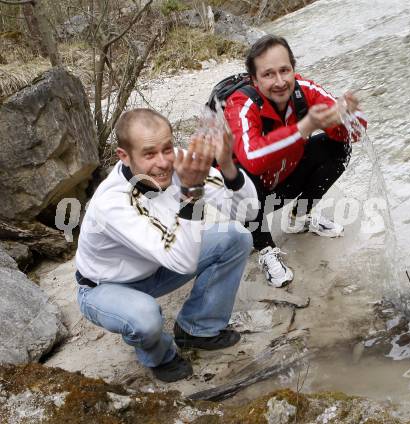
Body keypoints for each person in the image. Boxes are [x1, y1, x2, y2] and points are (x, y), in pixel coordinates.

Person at [75, 108, 258, 382]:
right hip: (105, 288)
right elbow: (181, 261)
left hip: (156, 267)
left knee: (236, 237)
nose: (162, 163)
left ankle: (198, 327)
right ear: (124, 156)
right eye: (149, 154)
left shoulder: (177, 164)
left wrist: (227, 164)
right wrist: (190, 194)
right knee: (145, 318)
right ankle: (160, 355)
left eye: (167, 148)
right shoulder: (111, 202)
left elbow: (249, 212)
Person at [224, 34, 367, 288]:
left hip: (283, 181)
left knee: (337, 148)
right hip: (245, 199)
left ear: (293, 69)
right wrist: (305, 126)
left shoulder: (304, 90)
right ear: (254, 80)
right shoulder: (240, 103)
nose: (279, 81)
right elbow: (253, 158)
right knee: (239, 172)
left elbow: (356, 135)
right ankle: (265, 247)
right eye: (268, 74)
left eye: (284, 70)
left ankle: (299, 217)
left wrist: (346, 119)